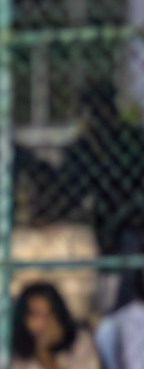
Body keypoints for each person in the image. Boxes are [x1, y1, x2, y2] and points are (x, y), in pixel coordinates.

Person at [52, 80, 144, 256]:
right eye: (91, 111)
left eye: (103, 108)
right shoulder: (80, 150)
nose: (97, 117)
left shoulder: (133, 141)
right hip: (94, 224)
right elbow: (68, 193)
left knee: (130, 238)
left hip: (131, 222)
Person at [10, 282, 100, 369]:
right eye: (35, 315)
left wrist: (49, 361)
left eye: (50, 315)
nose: (43, 323)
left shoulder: (79, 343)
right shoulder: (15, 353)